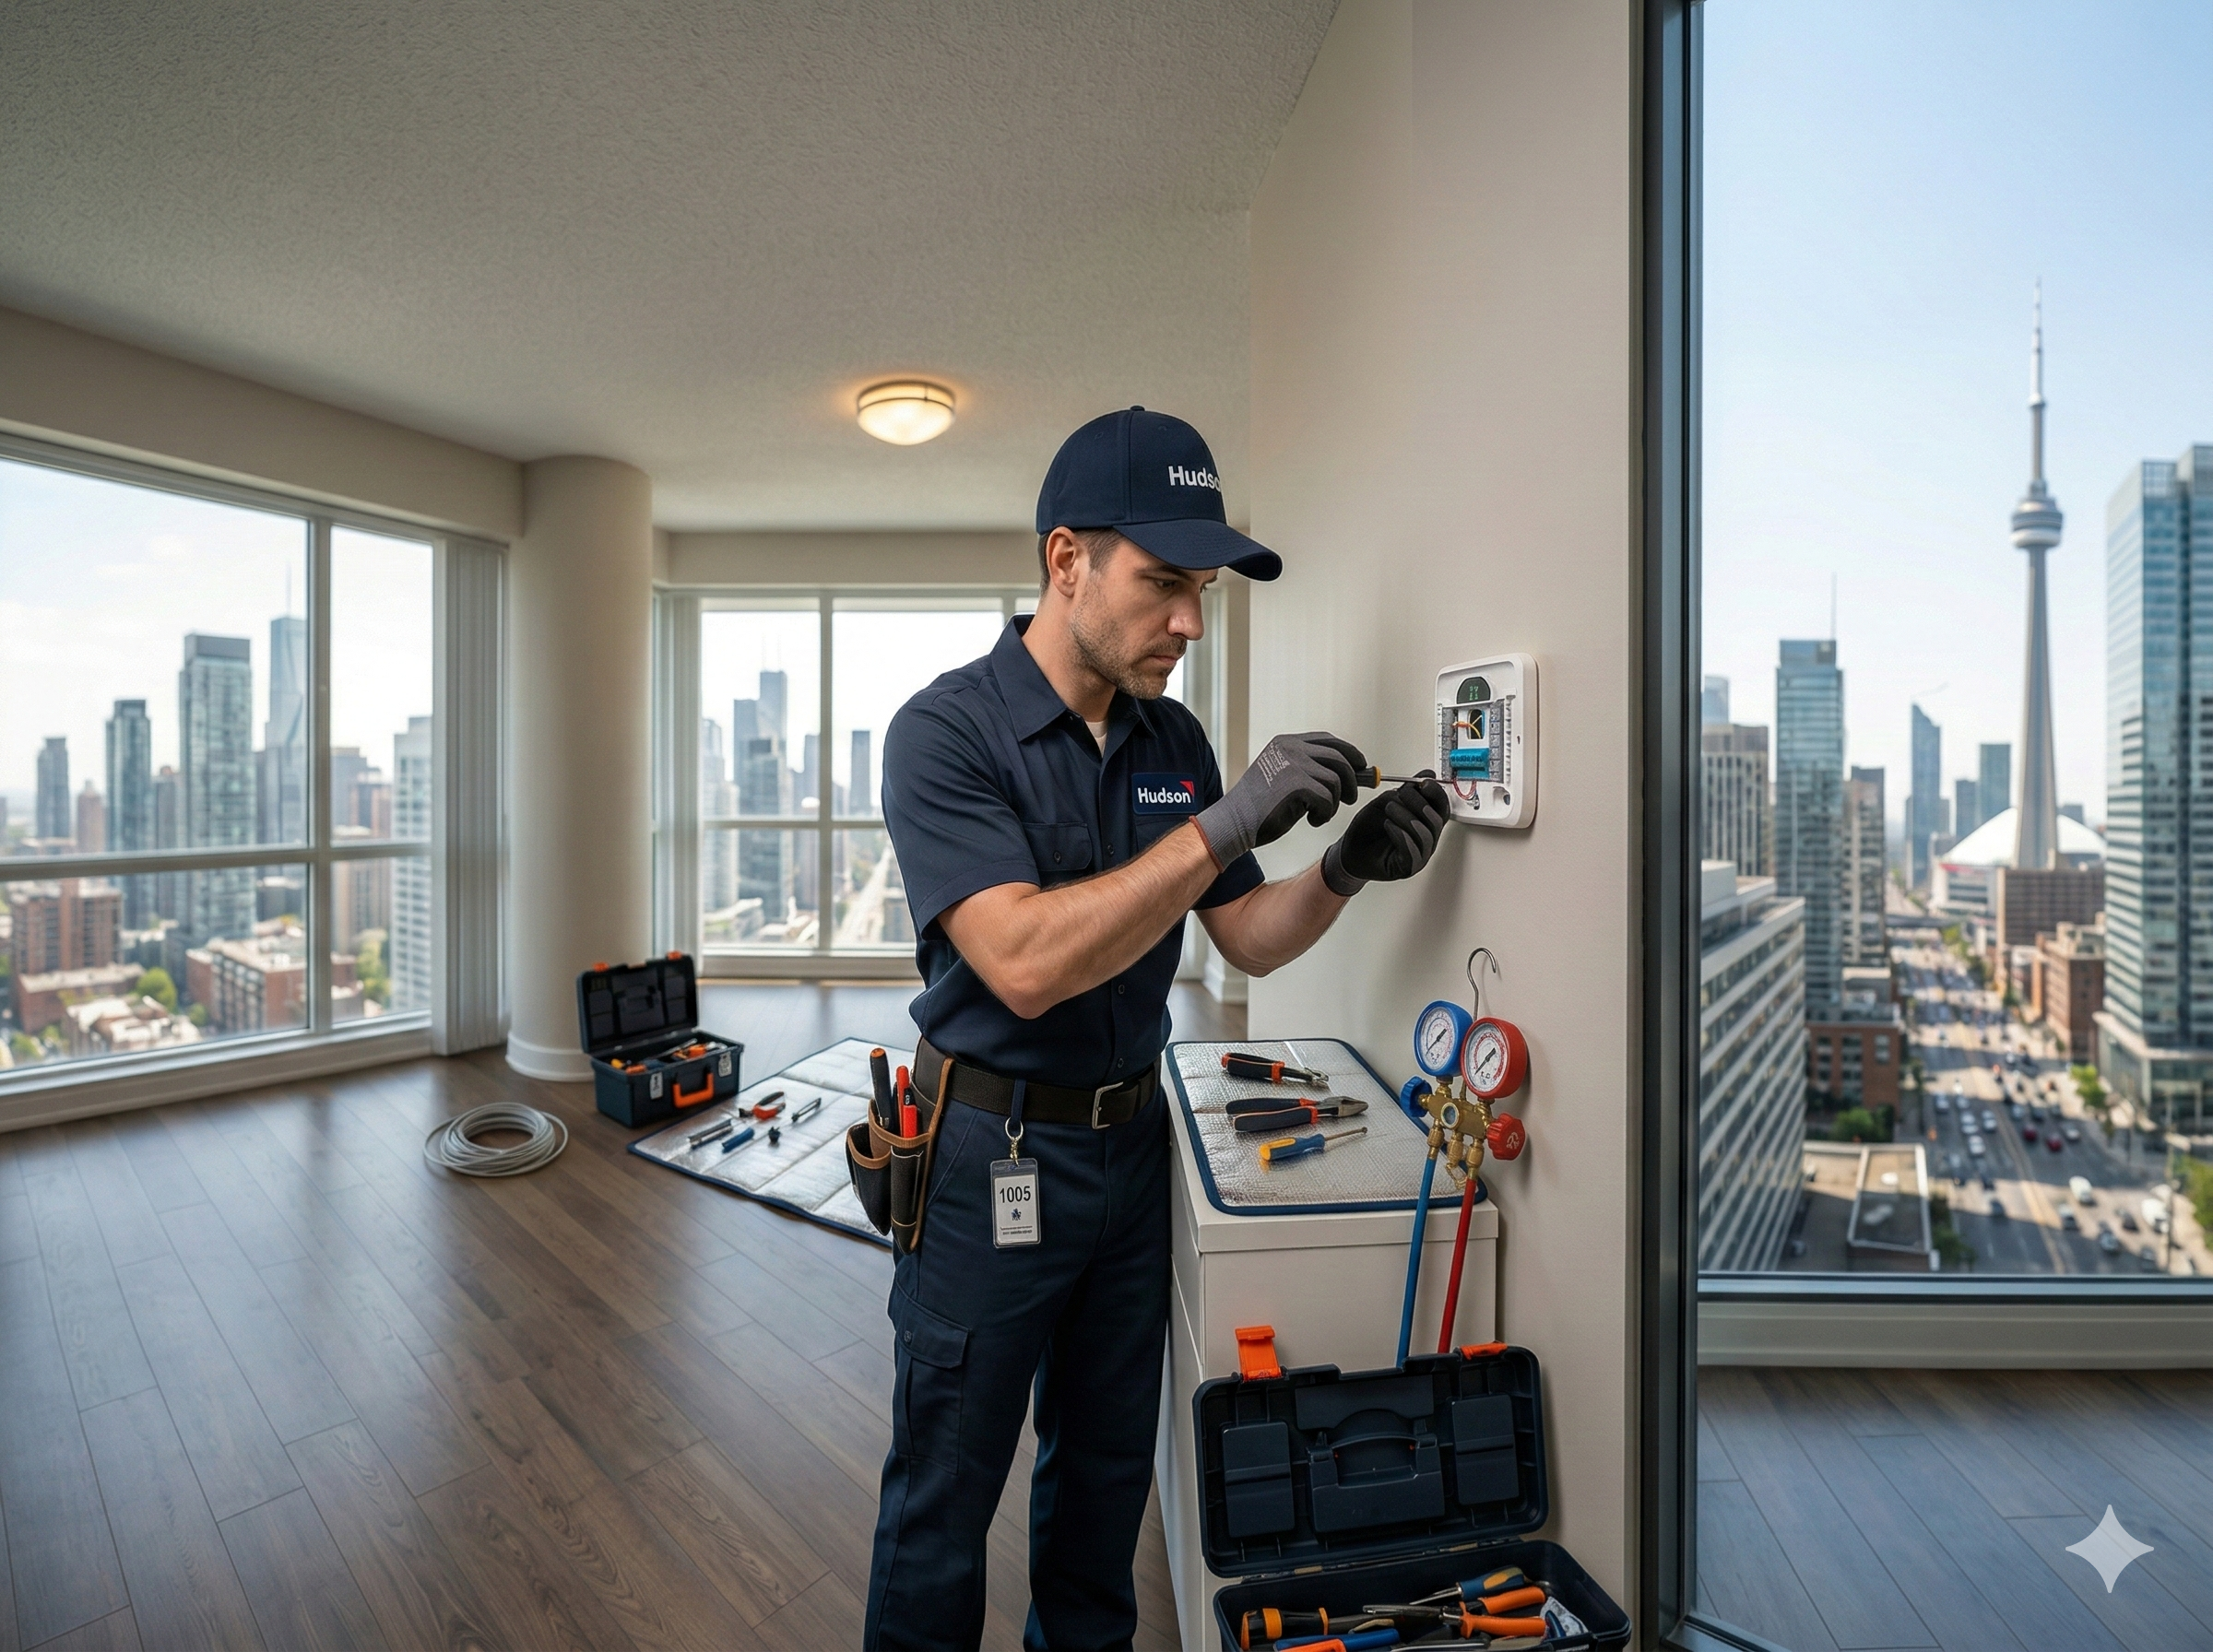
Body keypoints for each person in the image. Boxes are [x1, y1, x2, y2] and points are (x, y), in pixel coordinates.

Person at [866, 407, 1451, 1651]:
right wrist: (1225, 823)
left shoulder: (1171, 739)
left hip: (1133, 1153)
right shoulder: (943, 733)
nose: (1190, 621)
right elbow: (1024, 963)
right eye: (1164, 584)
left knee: (1102, 1493)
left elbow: (1245, 937)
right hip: (988, 1156)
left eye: (1203, 593)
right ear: (1066, 560)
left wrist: (1342, 870)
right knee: (942, 1504)